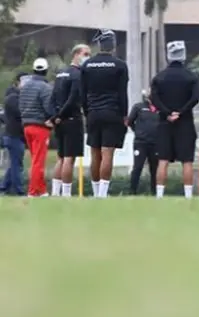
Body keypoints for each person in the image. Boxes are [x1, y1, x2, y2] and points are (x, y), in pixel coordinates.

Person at [81, 29, 129, 198]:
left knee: (95, 153)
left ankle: (95, 193)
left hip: (93, 112)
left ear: (99, 44)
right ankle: (103, 194)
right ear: (113, 45)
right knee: (107, 152)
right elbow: (123, 93)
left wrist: (87, 112)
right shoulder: (120, 65)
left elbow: (83, 92)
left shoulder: (87, 65)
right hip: (112, 112)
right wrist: (125, 114)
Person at [150, 41, 199, 199]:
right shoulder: (191, 77)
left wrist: (167, 113)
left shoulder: (159, 77)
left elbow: (154, 98)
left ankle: (159, 194)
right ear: (184, 55)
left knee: (163, 160)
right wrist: (181, 112)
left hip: (164, 123)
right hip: (185, 122)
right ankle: (187, 195)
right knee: (187, 161)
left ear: (168, 55)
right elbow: (195, 98)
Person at [49, 44, 89, 197]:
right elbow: (73, 98)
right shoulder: (77, 74)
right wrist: (60, 115)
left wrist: (54, 117)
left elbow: (52, 98)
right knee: (69, 158)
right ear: (76, 54)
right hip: (71, 119)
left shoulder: (60, 74)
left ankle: (54, 192)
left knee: (61, 157)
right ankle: (65, 194)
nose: (87, 57)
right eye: (85, 54)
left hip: (60, 122)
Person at [19, 58, 56, 197]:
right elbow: (49, 108)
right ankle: (33, 191)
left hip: (26, 126)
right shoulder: (45, 87)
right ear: (45, 71)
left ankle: (41, 190)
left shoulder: (24, 87)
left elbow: (20, 106)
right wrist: (52, 119)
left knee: (35, 159)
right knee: (38, 161)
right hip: (40, 127)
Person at [126, 88, 159, 195]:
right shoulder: (138, 107)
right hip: (141, 143)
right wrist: (138, 132)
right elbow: (130, 121)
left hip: (155, 143)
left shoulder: (160, 108)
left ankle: (155, 193)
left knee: (154, 169)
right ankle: (132, 191)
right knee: (137, 167)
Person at [1, 74, 27, 196]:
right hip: (13, 136)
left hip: (15, 136)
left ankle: (3, 187)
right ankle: (19, 190)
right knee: (17, 165)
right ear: (18, 82)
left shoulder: (16, 97)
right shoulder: (13, 98)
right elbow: (20, 113)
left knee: (14, 164)